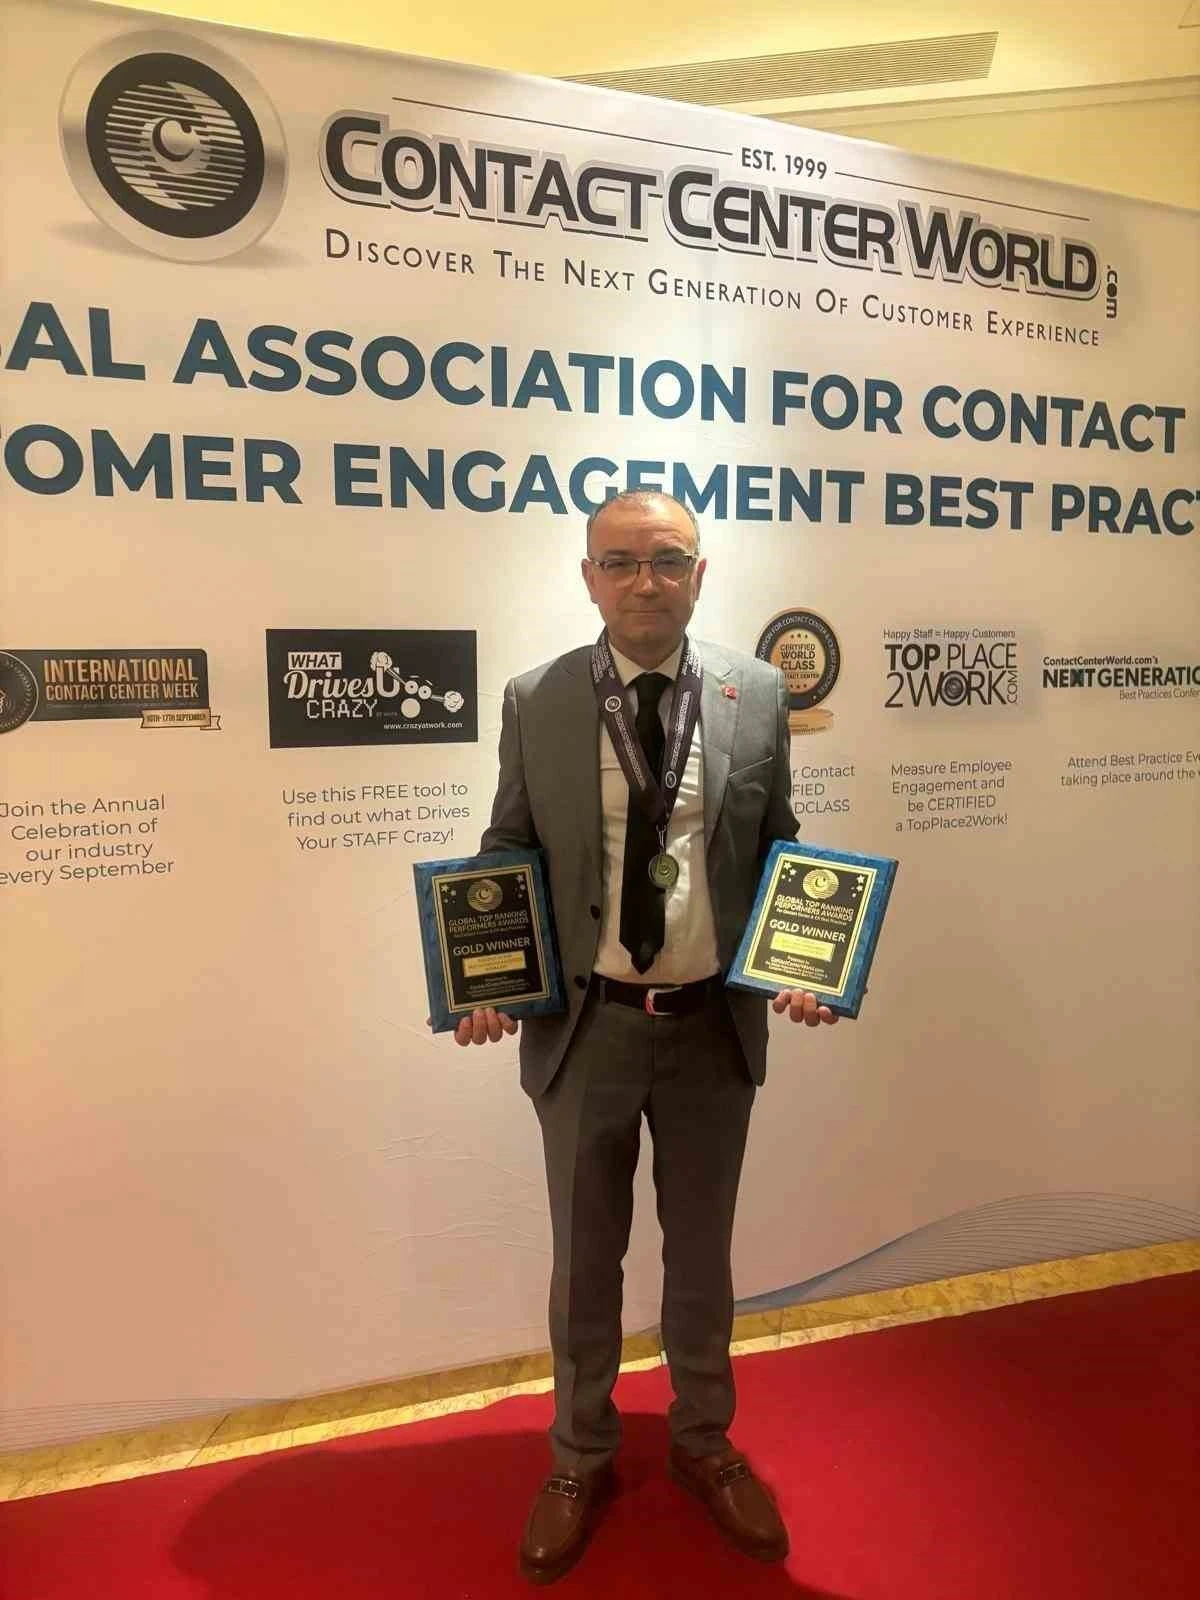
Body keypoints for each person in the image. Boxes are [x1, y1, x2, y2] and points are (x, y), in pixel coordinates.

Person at [447, 489, 836, 1584]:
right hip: (590, 1031)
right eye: (618, 563)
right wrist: (488, 974)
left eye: (667, 560)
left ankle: (704, 1441)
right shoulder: (537, 698)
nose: (643, 583)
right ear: (588, 578)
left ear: (700, 575)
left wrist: (802, 962)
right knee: (585, 1264)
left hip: (713, 1028)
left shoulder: (757, 693)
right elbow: (508, 844)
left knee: (702, 1257)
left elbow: (778, 843)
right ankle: (578, 1456)